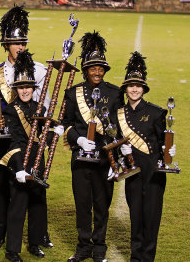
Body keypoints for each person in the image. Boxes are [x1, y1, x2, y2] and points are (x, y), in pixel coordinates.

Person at [0, 5, 52, 251]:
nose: (20, 46)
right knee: (1, 186)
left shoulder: (40, 71)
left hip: (32, 138)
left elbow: (44, 104)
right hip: (5, 139)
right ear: (6, 45)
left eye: (23, 42)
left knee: (37, 187)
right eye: (15, 43)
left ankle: (39, 236)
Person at [62, 31, 123, 262]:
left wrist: (115, 157)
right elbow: (67, 123)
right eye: (92, 68)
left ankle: (99, 248)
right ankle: (82, 247)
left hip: (105, 158)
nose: (97, 72)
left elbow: (118, 126)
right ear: (86, 69)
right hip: (80, 157)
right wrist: (78, 139)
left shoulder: (115, 93)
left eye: (101, 68)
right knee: (82, 205)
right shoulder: (72, 93)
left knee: (101, 205)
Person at [0, 50, 64, 262]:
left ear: (33, 88)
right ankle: (12, 250)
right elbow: (15, 140)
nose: (25, 90)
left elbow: (42, 139)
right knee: (18, 205)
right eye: (21, 87)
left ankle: (35, 243)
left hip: (38, 161)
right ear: (16, 89)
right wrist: (19, 168)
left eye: (28, 87)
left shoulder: (41, 108)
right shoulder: (10, 110)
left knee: (37, 203)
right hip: (21, 162)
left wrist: (55, 132)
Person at [117, 51, 175, 261]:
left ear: (143, 88)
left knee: (151, 220)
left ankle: (148, 258)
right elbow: (116, 143)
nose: (134, 89)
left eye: (138, 85)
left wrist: (170, 150)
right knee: (136, 218)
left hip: (153, 176)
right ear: (126, 88)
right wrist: (120, 153)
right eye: (131, 85)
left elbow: (162, 143)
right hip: (134, 174)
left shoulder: (157, 113)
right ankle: (135, 257)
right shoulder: (119, 114)